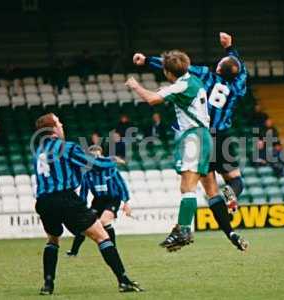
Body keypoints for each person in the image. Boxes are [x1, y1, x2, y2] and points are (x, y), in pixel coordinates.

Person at [132, 32, 249, 251]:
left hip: (203, 135)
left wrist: (147, 60)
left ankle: (229, 233)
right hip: (222, 136)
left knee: (209, 190)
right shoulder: (239, 85)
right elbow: (239, 68)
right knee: (235, 180)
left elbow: (178, 69)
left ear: (217, 68)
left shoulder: (205, 75)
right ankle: (232, 197)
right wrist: (230, 48)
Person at [33, 113, 143, 294]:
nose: (62, 126)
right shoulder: (66, 147)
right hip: (65, 198)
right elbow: (94, 163)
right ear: (53, 129)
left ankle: (48, 285)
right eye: (59, 123)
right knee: (102, 236)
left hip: (44, 201)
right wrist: (112, 160)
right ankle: (123, 281)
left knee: (53, 239)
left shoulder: (38, 153)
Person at [127, 49, 215, 251]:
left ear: (167, 72)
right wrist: (149, 61)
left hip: (195, 137)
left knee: (188, 187)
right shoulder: (193, 80)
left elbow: (152, 99)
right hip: (199, 136)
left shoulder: (179, 87)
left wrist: (135, 86)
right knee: (186, 187)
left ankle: (183, 230)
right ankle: (182, 229)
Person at [67, 145, 131, 257]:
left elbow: (121, 185)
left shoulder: (111, 170)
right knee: (84, 224)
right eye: (93, 156)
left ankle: (113, 250)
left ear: (102, 156)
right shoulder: (87, 174)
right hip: (98, 201)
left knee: (104, 221)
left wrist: (126, 202)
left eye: (98, 155)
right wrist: (81, 207)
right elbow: (84, 192)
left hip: (112, 199)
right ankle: (73, 252)